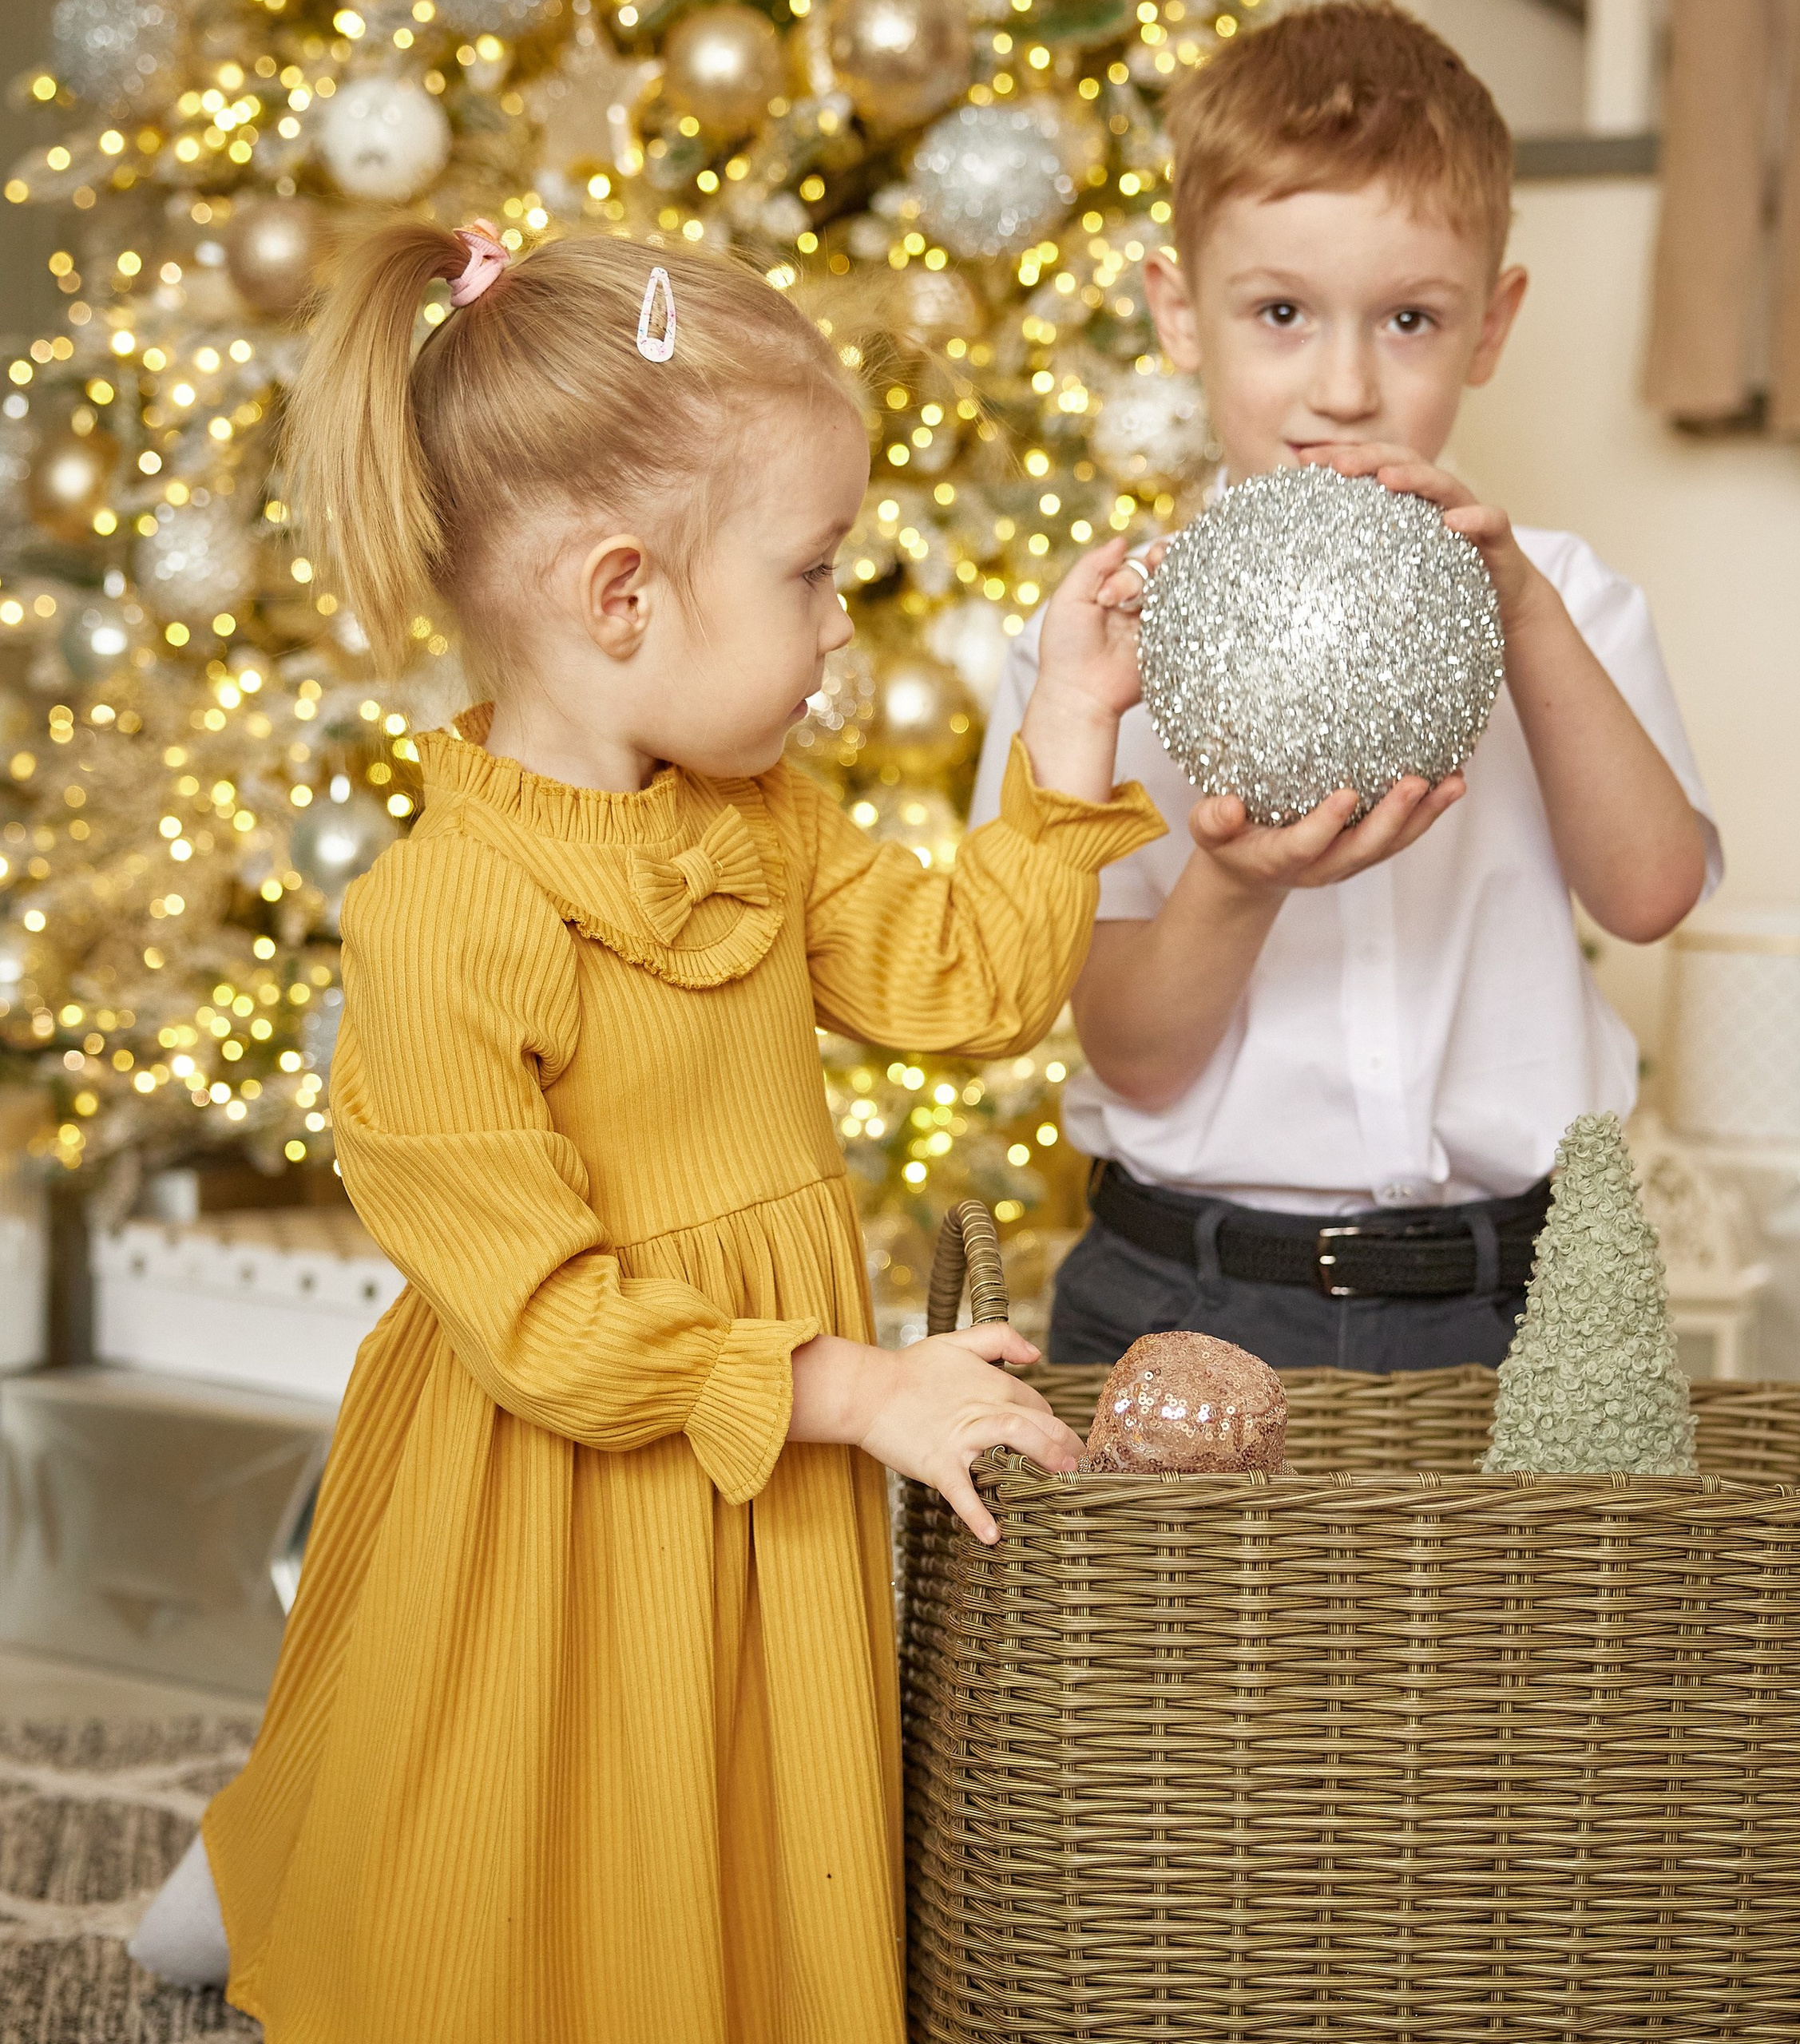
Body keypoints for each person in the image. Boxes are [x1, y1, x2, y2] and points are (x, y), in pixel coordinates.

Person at [126, 222, 1163, 2041]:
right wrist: (855, 1389)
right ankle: (278, 1860)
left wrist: (1069, 721)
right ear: (624, 597)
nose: (843, 627)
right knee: (505, 1806)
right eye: (810, 572)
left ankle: (300, 1849)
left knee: (721, 1799)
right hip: (564, 1442)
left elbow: (958, 978)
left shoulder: (755, 814)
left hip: (751, 1426)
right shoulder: (443, 917)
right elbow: (537, 1322)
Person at [971, 0, 1720, 1373]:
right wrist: (1241, 881)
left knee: (1539, 1605)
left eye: (1411, 320)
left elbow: (1652, 892)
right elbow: (1130, 1051)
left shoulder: (1561, 595)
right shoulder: (1098, 648)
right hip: (1187, 1290)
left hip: (1513, 1301)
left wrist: (1526, 620)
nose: (1345, 385)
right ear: (1174, 312)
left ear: (1489, 328)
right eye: (1279, 313)